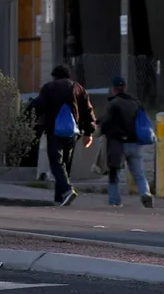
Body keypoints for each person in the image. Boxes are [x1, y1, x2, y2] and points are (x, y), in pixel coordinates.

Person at [26, 64, 96, 206]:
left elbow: (38, 106)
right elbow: (88, 110)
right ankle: (61, 198)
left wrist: (27, 120)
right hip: (72, 132)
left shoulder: (49, 88)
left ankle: (67, 190)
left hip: (54, 131)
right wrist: (89, 132)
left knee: (56, 163)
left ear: (54, 76)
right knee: (65, 164)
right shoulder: (78, 88)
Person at [97, 76, 155, 208]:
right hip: (135, 143)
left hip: (118, 144)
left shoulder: (113, 104)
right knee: (139, 174)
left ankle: (115, 202)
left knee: (114, 173)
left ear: (113, 89)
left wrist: (97, 128)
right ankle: (145, 193)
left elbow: (105, 122)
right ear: (125, 88)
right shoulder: (135, 102)